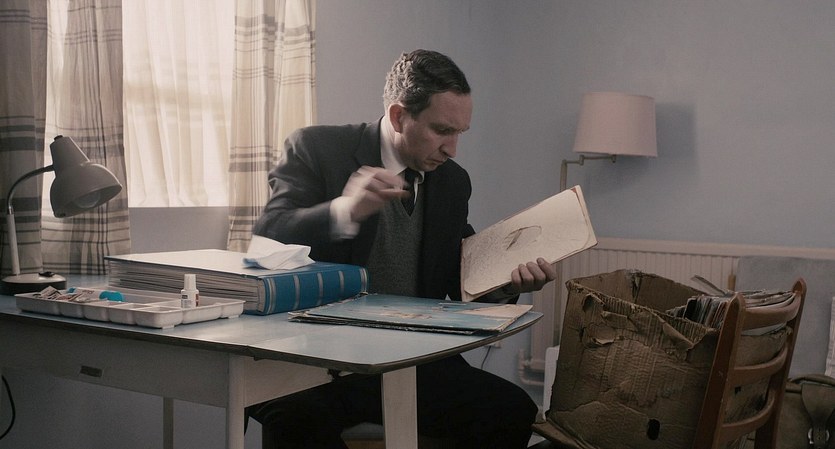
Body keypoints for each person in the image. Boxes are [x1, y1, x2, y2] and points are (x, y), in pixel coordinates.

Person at [249, 49, 556, 449]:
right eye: (442, 130)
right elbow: (269, 235)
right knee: (296, 422)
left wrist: (507, 284)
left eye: (460, 133)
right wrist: (346, 210)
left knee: (513, 411)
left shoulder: (453, 181)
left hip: (413, 361)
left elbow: (457, 276)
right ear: (398, 116)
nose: (452, 149)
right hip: (319, 363)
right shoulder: (317, 147)